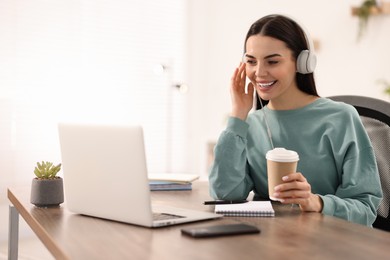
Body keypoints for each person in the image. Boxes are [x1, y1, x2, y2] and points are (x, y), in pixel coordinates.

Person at [208, 14, 382, 226]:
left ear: (302, 63)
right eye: (251, 61)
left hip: (330, 243)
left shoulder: (341, 118)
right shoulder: (250, 124)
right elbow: (225, 196)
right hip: (270, 241)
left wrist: (315, 202)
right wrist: (237, 114)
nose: (259, 72)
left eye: (272, 61)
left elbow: (365, 210)